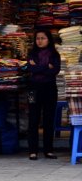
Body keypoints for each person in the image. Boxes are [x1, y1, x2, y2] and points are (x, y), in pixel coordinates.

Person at [27, 30, 61, 160]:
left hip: (50, 89)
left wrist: (39, 67)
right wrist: (47, 67)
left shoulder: (54, 54)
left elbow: (55, 71)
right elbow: (31, 69)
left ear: (49, 39)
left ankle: (48, 150)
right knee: (33, 118)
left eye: (43, 38)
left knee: (48, 119)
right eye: (37, 38)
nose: (40, 41)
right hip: (32, 89)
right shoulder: (32, 53)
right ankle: (32, 150)